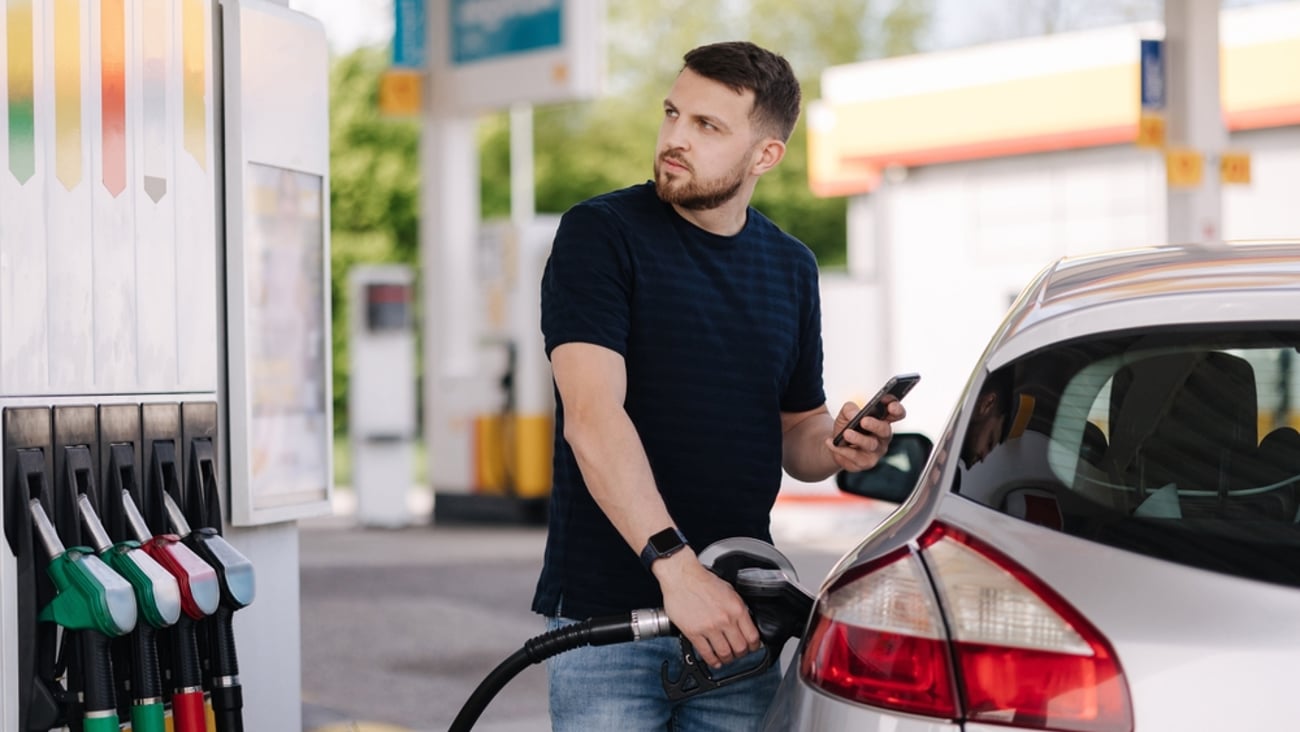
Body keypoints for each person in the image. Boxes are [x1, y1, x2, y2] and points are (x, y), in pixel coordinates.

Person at [533, 40, 905, 730]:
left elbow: (798, 431)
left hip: (741, 621)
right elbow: (592, 415)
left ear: (765, 155)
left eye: (707, 125)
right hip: (611, 617)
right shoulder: (601, 235)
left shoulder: (791, 266)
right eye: (673, 113)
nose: (675, 137)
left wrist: (839, 446)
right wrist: (676, 571)